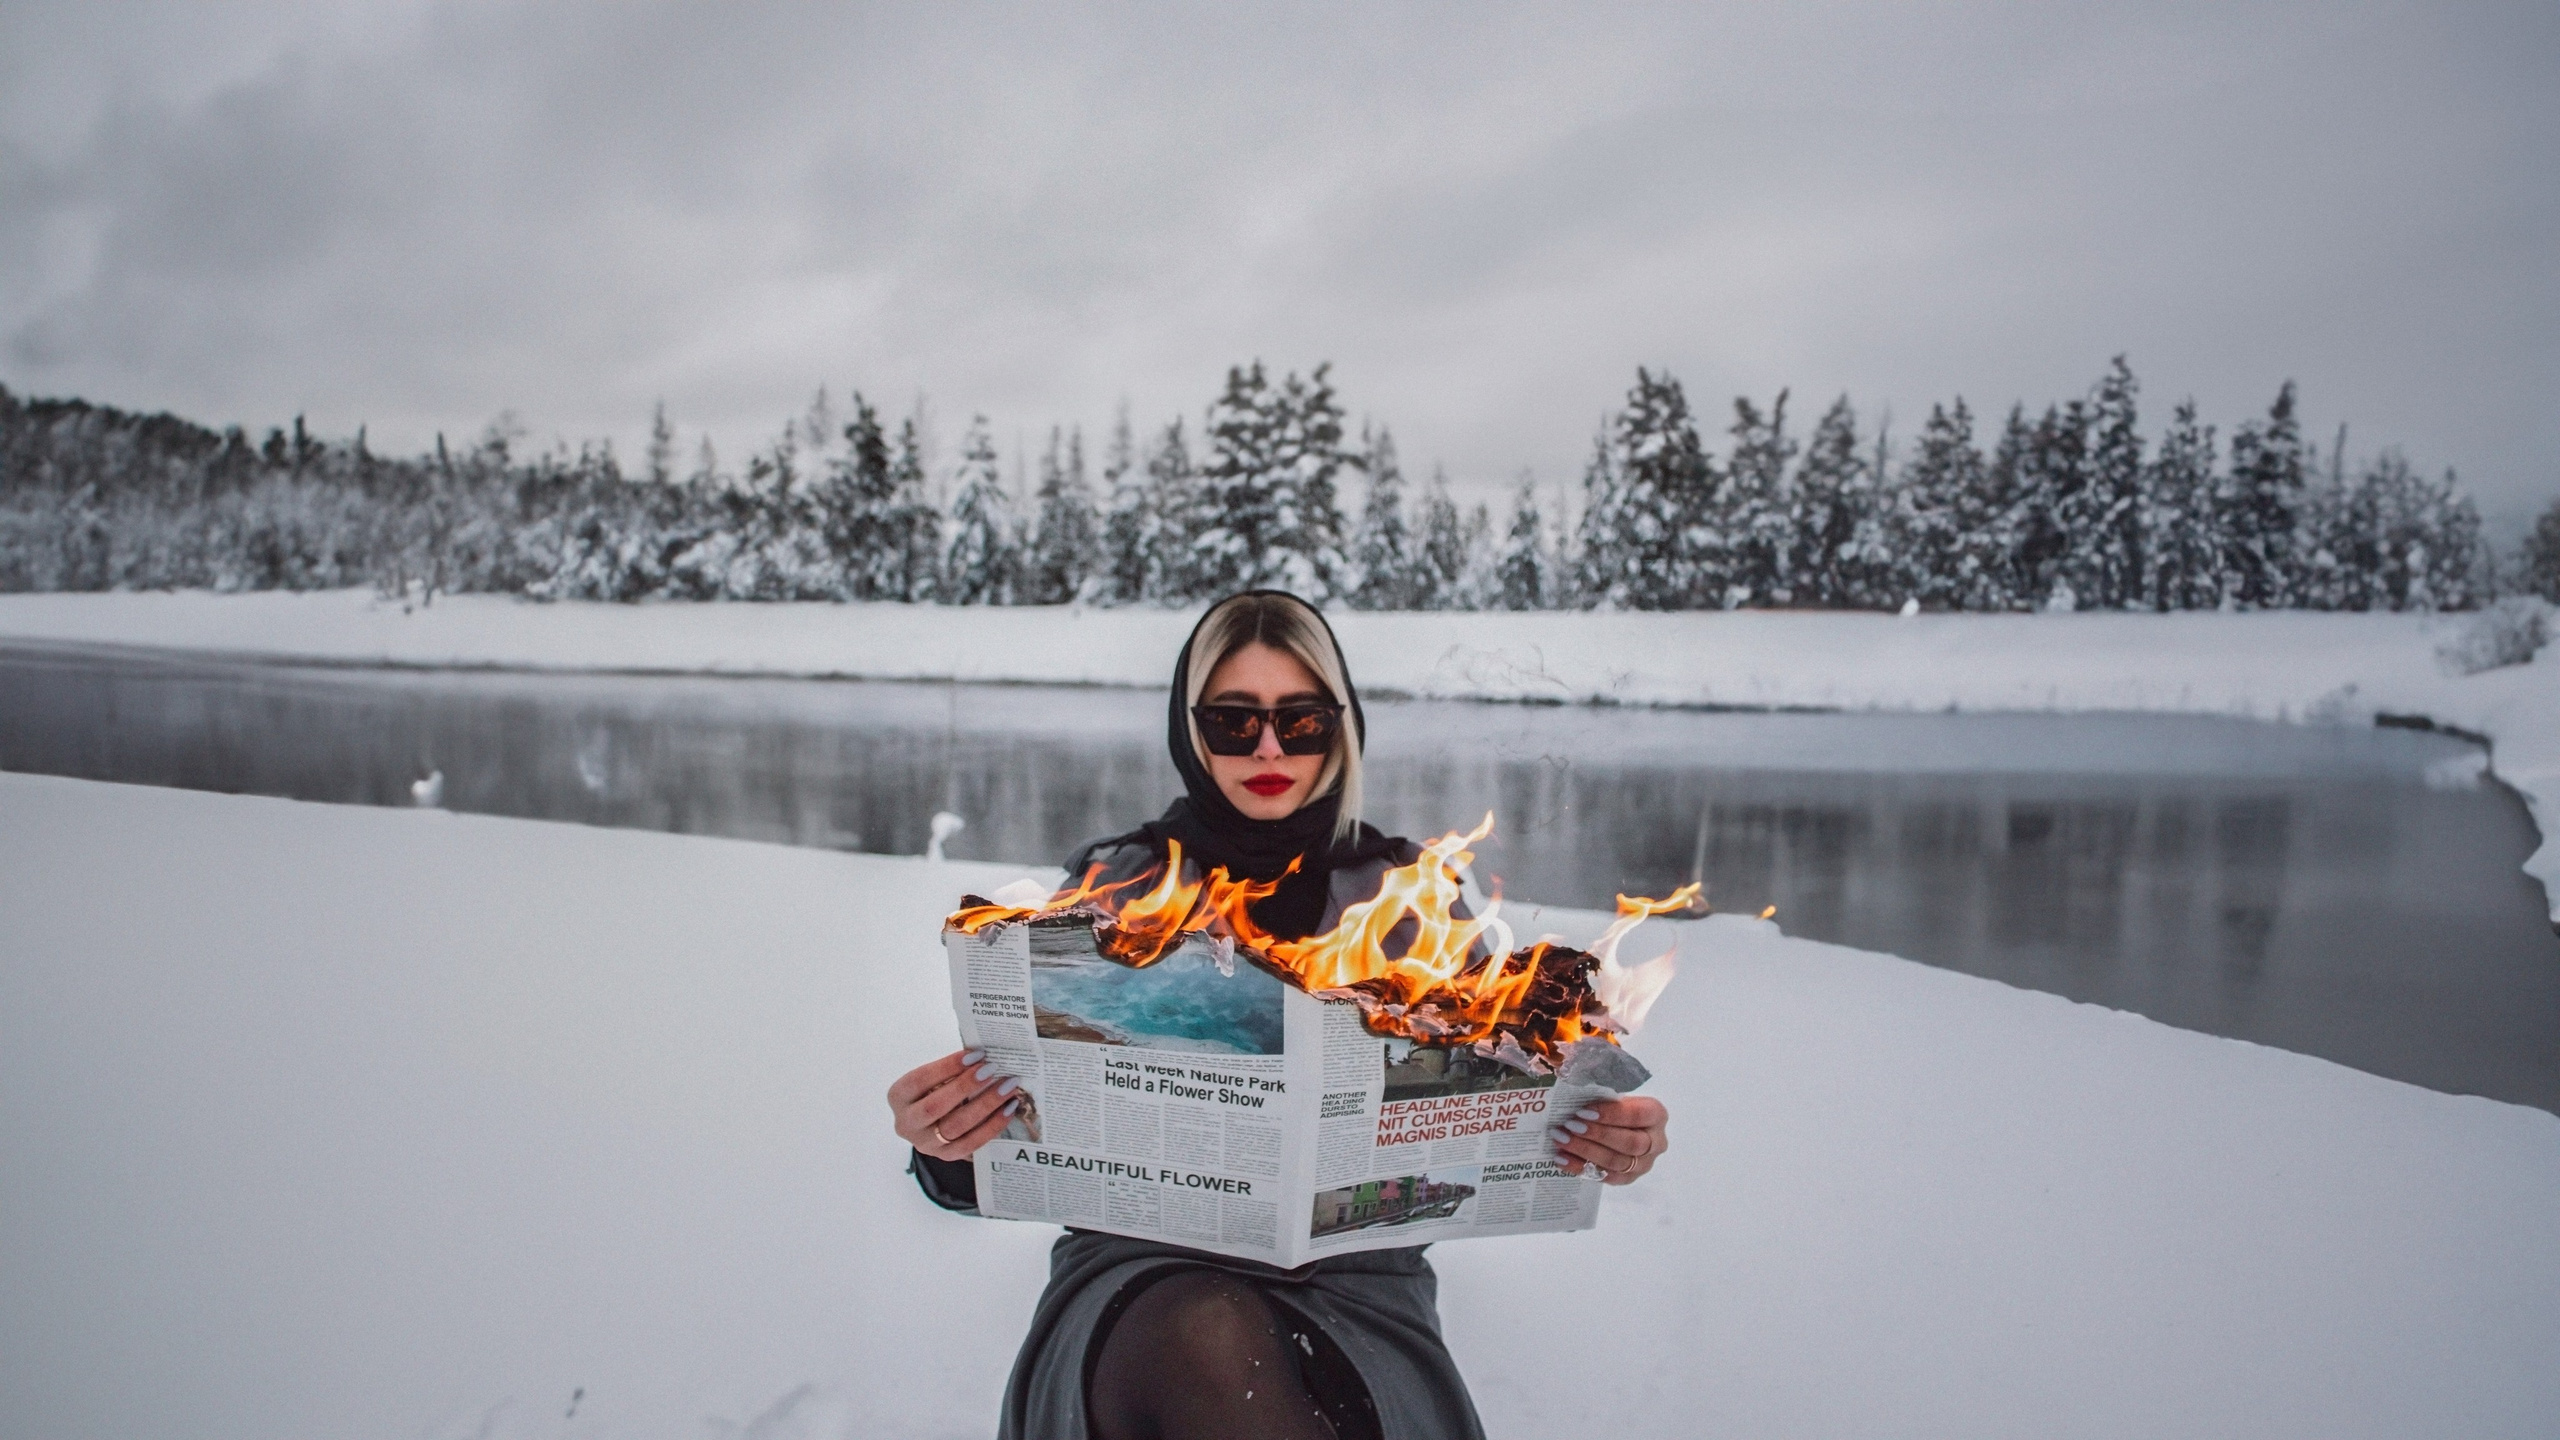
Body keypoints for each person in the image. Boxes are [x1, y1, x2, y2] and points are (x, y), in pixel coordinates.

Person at [886, 590, 1673, 1440]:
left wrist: (1600, 1134)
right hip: (1141, 1279)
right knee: (1201, 1331)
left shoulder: (1411, 895)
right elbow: (1025, 1125)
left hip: (1356, 1292)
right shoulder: (1119, 884)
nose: (1268, 747)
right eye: (1234, 721)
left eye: (1300, 721)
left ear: (1341, 728)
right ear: (1191, 730)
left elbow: (1510, 1105)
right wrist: (948, 1141)